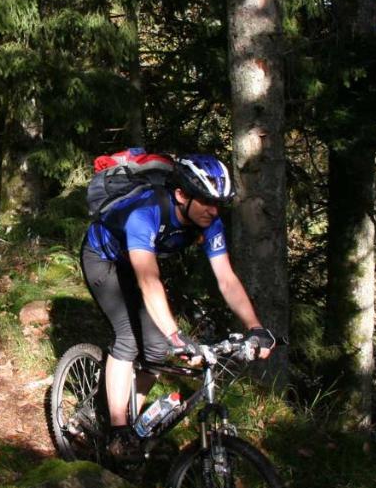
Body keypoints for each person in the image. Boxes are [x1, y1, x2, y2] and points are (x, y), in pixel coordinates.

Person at [81, 152, 275, 460]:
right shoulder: (144, 213)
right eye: (207, 202)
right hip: (103, 260)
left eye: (219, 204)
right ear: (182, 194)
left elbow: (226, 279)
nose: (214, 211)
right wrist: (176, 334)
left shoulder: (209, 222)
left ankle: (131, 415)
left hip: (137, 264)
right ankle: (117, 431)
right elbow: (149, 280)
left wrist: (255, 327)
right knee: (129, 338)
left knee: (157, 350)